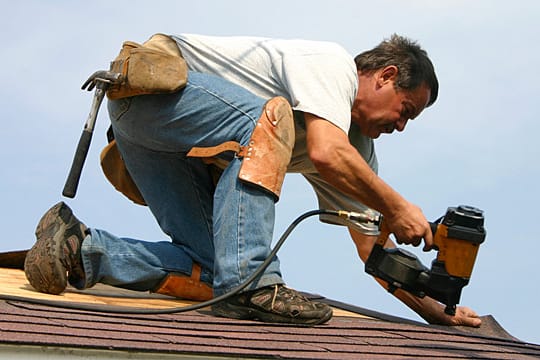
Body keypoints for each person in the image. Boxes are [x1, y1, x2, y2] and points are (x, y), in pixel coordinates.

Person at [24, 33, 481, 327]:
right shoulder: (333, 67)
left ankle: (78, 248)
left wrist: (438, 313)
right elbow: (324, 151)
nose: (402, 126)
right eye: (406, 111)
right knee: (271, 119)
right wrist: (397, 207)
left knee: (215, 273)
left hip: (161, 145)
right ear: (385, 76)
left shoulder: (355, 152)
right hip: (151, 97)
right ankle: (258, 287)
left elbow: (373, 253)